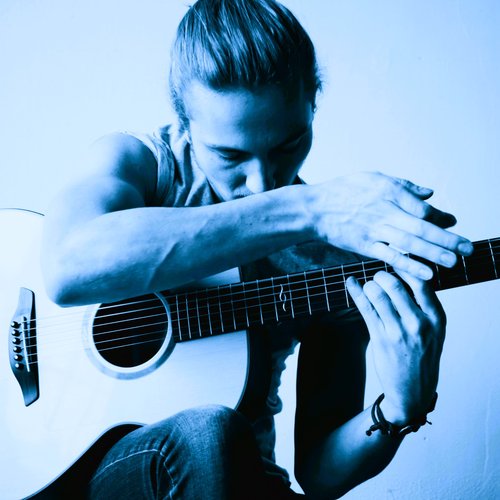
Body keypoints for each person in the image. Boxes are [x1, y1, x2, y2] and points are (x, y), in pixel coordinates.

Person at [41, 0, 473, 498]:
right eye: (229, 155)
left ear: (313, 105)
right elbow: (67, 266)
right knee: (207, 431)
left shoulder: (330, 257)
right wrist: (308, 208)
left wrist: (397, 409)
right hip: (92, 471)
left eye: (288, 145)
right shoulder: (145, 163)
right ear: (184, 122)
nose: (263, 183)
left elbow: (320, 475)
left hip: (245, 483)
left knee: (222, 442)